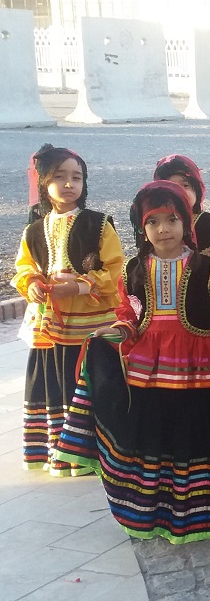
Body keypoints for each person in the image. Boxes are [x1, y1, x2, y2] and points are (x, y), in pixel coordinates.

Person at [54, 182, 210, 542]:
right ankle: (157, 509)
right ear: (142, 228)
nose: (163, 229)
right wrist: (116, 331)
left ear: (186, 223)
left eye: (172, 220)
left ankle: (200, 510)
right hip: (149, 366)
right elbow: (129, 313)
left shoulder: (207, 268)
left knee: (194, 432)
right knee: (157, 434)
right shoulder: (133, 269)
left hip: (198, 364)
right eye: (153, 222)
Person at [14, 144, 124, 477]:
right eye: (59, 177)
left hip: (91, 324)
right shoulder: (34, 230)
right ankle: (60, 452)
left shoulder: (99, 224)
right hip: (51, 323)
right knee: (56, 383)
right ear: (44, 183)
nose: (68, 184)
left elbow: (114, 268)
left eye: (76, 177)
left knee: (88, 382)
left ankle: (94, 454)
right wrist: (32, 283)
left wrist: (80, 285)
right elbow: (24, 267)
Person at [154, 154, 210, 294]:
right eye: (171, 187)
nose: (179, 192)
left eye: (185, 185)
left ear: (197, 189)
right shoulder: (154, 226)